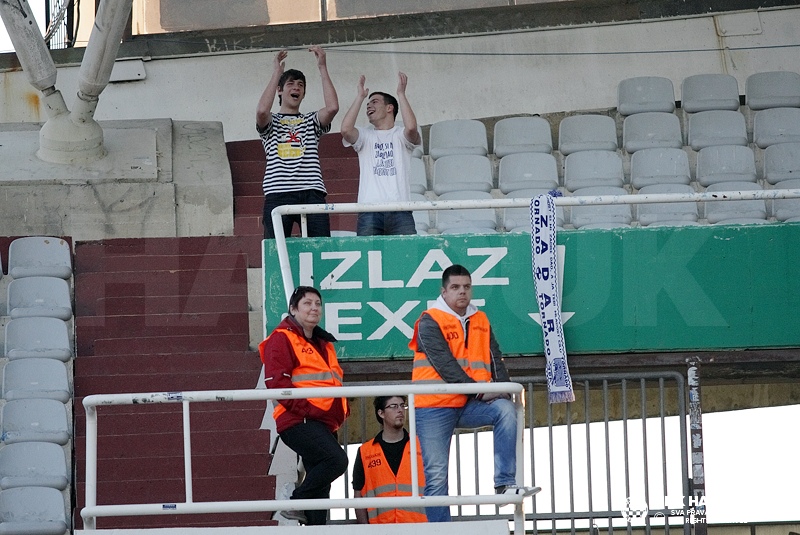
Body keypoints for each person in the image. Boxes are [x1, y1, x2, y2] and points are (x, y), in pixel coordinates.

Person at [409, 264, 540, 522]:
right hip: (434, 406)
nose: (462, 292)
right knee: (436, 475)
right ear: (444, 292)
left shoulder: (481, 319)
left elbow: (495, 359)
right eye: (456, 287)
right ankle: (440, 530)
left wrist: (502, 388)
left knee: (506, 410)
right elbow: (444, 365)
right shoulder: (429, 320)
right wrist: (481, 393)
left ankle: (505, 483)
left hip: (467, 403)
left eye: (467, 287)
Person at [259, 286, 349, 525]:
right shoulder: (282, 338)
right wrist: (309, 411)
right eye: (307, 303)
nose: (314, 308)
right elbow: (278, 384)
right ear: (293, 309)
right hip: (299, 420)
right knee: (337, 461)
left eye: (318, 304)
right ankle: (295, 501)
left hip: (323, 423)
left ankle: (315, 526)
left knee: (321, 489)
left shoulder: (324, 343)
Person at [256, 46, 339, 239]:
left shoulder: (311, 120)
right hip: (278, 193)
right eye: (291, 84)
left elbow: (333, 107)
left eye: (300, 85)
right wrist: (277, 73)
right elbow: (261, 112)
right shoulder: (271, 121)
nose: (296, 88)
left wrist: (322, 67)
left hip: (311, 192)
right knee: (276, 252)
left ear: (304, 93)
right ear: (279, 91)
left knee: (319, 251)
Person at [340, 73, 422, 236]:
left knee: (406, 258)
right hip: (369, 211)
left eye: (374, 102)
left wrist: (401, 95)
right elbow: (346, 130)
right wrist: (360, 97)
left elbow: (412, 128)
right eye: (368, 103)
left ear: (389, 108)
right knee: (368, 258)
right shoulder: (365, 136)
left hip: (401, 210)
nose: (369, 106)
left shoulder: (400, 135)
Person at [352, 395, 427, 524]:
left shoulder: (422, 446)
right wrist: (365, 530)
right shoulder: (365, 452)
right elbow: (358, 495)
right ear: (381, 413)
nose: (400, 410)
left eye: (402, 405)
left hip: (419, 528)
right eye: (393, 406)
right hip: (379, 530)